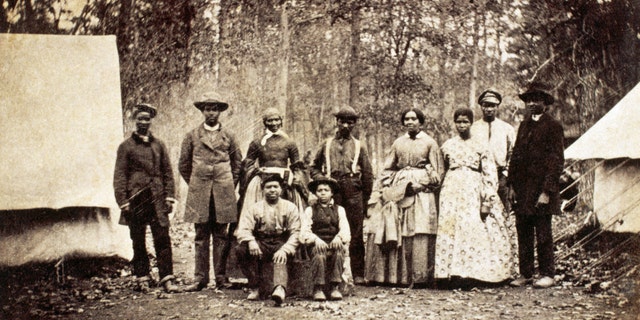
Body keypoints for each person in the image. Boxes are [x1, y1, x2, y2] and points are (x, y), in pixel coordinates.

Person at [434, 108, 517, 285]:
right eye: (458, 122)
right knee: (451, 227)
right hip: (451, 189)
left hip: (473, 188)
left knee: (471, 226)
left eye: (465, 122)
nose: (462, 125)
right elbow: (442, 170)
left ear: (471, 123)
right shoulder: (447, 145)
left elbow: (489, 172)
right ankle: (449, 273)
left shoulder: (481, 145)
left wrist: (487, 198)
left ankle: (471, 273)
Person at [365, 108, 444, 286]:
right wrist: (386, 187)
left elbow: (438, 171)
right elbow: (388, 167)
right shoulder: (398, 143)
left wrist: (422, 184)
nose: (410, 122)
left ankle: (420, 277)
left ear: (420, 122)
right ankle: (398, 276)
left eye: (413, 119)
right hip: (399, 188)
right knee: (397, 227)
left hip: (421, 192)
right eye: (406, 119)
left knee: (419, 228)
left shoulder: (430, 143)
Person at [179, 93, 242, 292]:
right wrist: (197, 183)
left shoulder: (229, 136)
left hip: (223, 191)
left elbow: (237, 163)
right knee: (201, 234)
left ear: (220, 111)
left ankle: (221, 278)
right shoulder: (192, 135)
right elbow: (183, 165)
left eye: (214, 109)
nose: (211, 113)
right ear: (202, 111)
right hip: (200, 191)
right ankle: (200, 278)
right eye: (207, 109)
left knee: (221, 235)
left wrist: (228, 182)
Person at [113, 103, 179, 293]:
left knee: (162, 238)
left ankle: (166, 278)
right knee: (138, 239)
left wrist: (169, 196)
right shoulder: (125, 147)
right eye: (140, 118)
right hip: (137, 198)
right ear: (135, 120)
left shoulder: (159, 145)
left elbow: (167, 171)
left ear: (151, 121)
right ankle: (142, 276)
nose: (144, 122)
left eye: (147, 119)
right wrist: (123, 200)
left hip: (157, 198)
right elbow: (119, 175)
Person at [508, 84, 564, 288]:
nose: (531, 103)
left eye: (536, 99)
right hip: (522, 190)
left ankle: (548, 273)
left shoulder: (553, 126)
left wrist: (547, 191)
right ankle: (526, 273)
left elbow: (556, 161)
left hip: (541, 189)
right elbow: (515, 157)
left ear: (545, 103)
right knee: (523, 232)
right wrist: (511, 185)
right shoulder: (524, 125)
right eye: (528, 100)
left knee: (543, 233)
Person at [310, 106, 374, 285]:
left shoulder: (359, 145)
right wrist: (322, 180)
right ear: (336, 122)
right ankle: (332, 275)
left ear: (354, 124)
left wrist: (366, 199)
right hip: (332, 190)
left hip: (354, 191)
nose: (345, 125)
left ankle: (358, 274)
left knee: (356, 233)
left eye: (350, 122)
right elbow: (313, 167)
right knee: (331, 228)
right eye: (342, 121)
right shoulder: (326, 143)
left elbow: (368, 173)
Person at [235, 174, 301, 305]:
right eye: (268, 187)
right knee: (241, 249)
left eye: (275, 187)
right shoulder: (255, 208)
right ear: (262, 190)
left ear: (281, 189)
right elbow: (243, 228)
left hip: (281, 241)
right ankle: (255, 287)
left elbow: (296, 232)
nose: (272, 190)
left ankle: (280, 289)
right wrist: (251, 241)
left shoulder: (290, 207)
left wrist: (286, 249)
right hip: (261, 242)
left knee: (281, 256)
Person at [239, 107, 307, 217]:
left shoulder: (290, 143)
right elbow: (248, 163)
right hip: (263, 178)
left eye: (276, 120)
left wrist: (294, 178)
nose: (274, 123)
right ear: (264, 123)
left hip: (284, 179)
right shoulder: (257, 143)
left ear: (281, 121)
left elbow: (296, 166)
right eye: (269, 120)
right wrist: (257, 170)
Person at [300, 176, 351, 301]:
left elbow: (345, 228)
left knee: (339, 253)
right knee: (319, 255)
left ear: (332, 193)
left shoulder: (340, 210)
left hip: (333, 243)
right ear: (315, 193)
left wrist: (339, 237)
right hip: (316, 245)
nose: (323, 193)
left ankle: (335, 287)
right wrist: (315, 239)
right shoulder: (310, 210)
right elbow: (304, 231)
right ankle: (319, 288)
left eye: (326, 190)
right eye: (319, 190)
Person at [470, 90, 515, 210]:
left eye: (492, 105)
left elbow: (513, 154)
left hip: (500, 175)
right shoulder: (473, 128)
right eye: (486, 105)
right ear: (481, 106)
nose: (489, 109)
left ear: (497, 107)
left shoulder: (506, 129)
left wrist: (505, 175)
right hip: (478, 174)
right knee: (478, 211)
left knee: (502, 211)